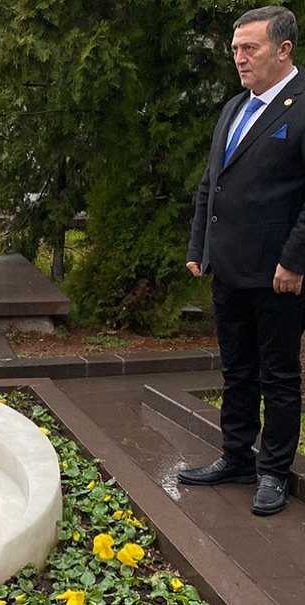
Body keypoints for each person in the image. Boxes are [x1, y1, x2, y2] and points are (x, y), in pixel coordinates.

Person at [183, 5, 305, 516]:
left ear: (283, 50)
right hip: (229, 268)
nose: (239, 58)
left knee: (278, 375)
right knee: (236, 369)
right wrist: (198, 249)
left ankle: (273, 471)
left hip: (278, 274)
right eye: (235, 49)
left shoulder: (301, 108)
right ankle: (236, 456)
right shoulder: (234, 107)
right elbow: (212, 182)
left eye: (249, 48)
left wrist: (295, 261)